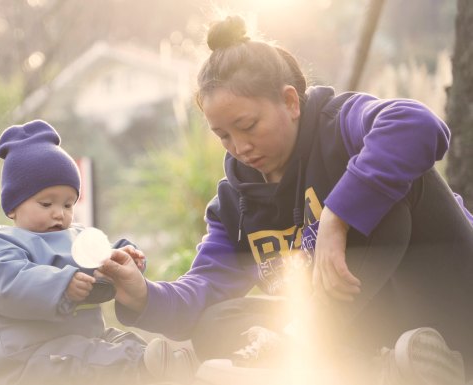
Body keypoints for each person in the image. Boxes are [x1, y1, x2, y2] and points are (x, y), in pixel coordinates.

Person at [98, 15, 473, 385]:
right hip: (380, 337)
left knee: (389, 193)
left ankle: (318, 349)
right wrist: (143, 295)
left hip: (452, 300)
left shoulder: (337, 124)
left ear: (290, 102)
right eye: (223, 135)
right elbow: (202, 289)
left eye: (247, 127)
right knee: (216, 320)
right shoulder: (235, 203)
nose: (239, 147)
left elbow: (416, 124)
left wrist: (337, 217)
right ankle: (381, 366)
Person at [0, 120, 199, 385]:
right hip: (25, 353)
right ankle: (146, 368)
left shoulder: (75, 236)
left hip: (75, 340)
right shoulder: (5, 243)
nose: (59, 213)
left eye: (68, 204)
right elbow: (7, 284)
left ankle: (160, 363)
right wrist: (60, 284)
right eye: (46, 203)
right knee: (90, 360)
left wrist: (122, 258)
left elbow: (97, 256)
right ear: (13, 208)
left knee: (117, 342)